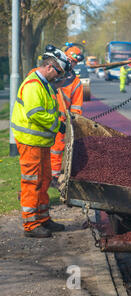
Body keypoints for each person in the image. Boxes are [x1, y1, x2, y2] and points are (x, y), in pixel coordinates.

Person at [11, 47, 70, 238]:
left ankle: (43, 218)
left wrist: (61, 121)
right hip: (30, 143)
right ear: (50, 67)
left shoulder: (43, 85)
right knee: (32, 182)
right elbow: (35, 113)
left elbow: (50, 110)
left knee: (44, 180)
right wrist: (56, 125)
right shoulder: (33, 85)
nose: (59, 77)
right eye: (59, 73)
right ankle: (31, 224)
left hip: (40, 142)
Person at [50, 46, 84, 181]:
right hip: (44, 118)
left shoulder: (76, 83)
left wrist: (73, 123)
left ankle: (54, 175)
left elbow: (76, 107)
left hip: (60, 122)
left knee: (57, 148)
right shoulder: (51, 74)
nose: (71, 64)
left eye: (74, 62)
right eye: (69, 60)